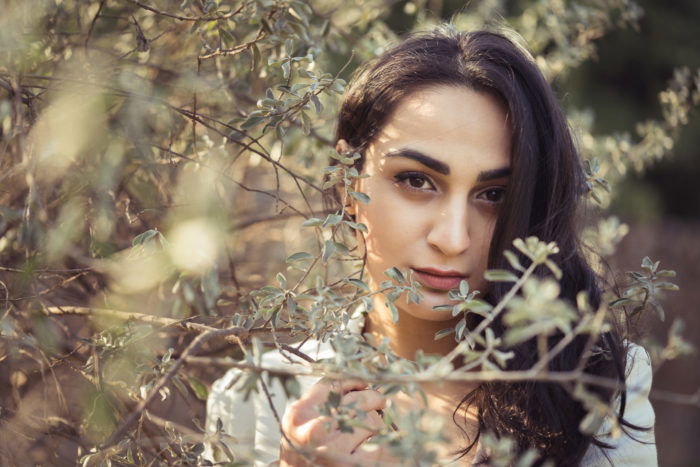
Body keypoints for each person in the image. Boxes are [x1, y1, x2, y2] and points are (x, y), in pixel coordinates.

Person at [205, 27, 656, 466]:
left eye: (494, 195)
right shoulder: (256, 396)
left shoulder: (594, 383)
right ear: (347, 182)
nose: (452, 238)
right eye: (416, 181)